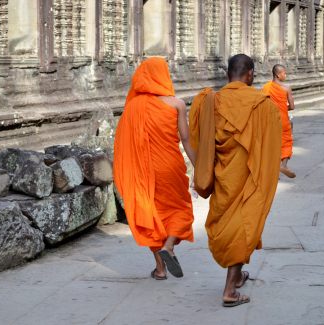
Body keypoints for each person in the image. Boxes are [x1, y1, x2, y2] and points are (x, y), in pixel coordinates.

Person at [190, 54, 282, 307]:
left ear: (228, 74)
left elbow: (199, 141)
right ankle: (230, 291)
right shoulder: (262, 104)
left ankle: (238, 276)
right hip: (249, 179)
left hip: (224, 178)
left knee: (231, 226)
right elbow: (273, 144)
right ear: (250, 74)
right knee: (244, 226)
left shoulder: (211, 102)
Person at [113, 57, 196, 280]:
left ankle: (160, 269)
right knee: (180, 208)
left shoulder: (133, 108)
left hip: (144, 172)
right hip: (170, 166)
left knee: (153, 215)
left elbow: (123, 143)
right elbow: (186, 139)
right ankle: (168, 246)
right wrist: (199, 167)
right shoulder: (177, 104)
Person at [263, 64, 296, 178]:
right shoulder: (287, 88)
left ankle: (271, 169)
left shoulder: (266, 87)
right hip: (283, 120)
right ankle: (284, 165)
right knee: (286, 141)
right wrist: (281, 107)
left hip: (270, 120)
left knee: (272, 143)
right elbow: (292, 106)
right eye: (283, 73)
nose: (285, 75)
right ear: (277, 74)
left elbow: (263, 105)